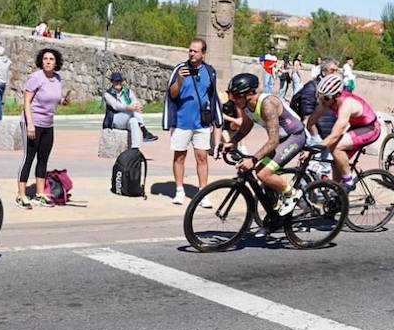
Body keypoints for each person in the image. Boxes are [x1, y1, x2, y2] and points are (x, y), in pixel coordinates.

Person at [221, 72, 308, 215]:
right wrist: (233, 141)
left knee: (263, 173)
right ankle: (274, 218)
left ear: (249, 93)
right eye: (231, 95)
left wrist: (253, 159)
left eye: (236, 96)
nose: (233, 100)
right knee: (263, 175)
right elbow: (246, 126)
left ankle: (292, 194)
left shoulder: (267, 104)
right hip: (280, 141)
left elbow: (273, 141)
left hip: (294, 137)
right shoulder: (246, 106)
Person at [163, 37, 222, 206]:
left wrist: (214, 119)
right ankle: (179, 190)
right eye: (190, 50)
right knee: (179, 156)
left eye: (195, 51)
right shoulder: (180, 69)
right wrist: (180, 80)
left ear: (203, 53)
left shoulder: (210, 71)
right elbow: (172, 94)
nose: (192, 53)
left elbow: (212, 96)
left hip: (201, 122)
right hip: (182, 121)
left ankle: (203, 192)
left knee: (202, 157)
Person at [307, 73, 382, 189]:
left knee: (335, 147)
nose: (323, 101)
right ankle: (337, 191)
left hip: (370, 128)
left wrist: (313, 149)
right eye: (320, 96)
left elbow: (335, 135)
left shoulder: (346, 104)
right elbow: (311, 121)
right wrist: (311, 138)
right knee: (336, 162)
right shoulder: (328, 100)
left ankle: (348, 182)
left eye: (326, 98)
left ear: (336, 95)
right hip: (357, 127)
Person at [14, 47, 64, 209]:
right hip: (32, 123)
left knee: (43, 158)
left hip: (48, 124)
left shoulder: (57, 79)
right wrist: (30, 124)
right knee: (28, 158)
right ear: (41, 61)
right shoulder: (35, 78)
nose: (48, 61)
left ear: (56, 62)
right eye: (45, 59)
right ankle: (21, 195)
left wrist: (63, 101)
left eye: (51, 59)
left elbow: (54, 98)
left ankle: (40, 194)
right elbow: (26, 102)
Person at [102, 71, 157, 149]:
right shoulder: (107, 94)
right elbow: (116, 106)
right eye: (116, 81)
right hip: (115, 119)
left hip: (128, 117)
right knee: (132, 112)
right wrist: (129, 108)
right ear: (112, 82)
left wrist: (138, 106)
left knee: (134, 121)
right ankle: (144, 131)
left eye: (119, 81)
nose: (118, 83)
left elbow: (135, 101)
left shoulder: (128, 91)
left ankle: (135, 148)